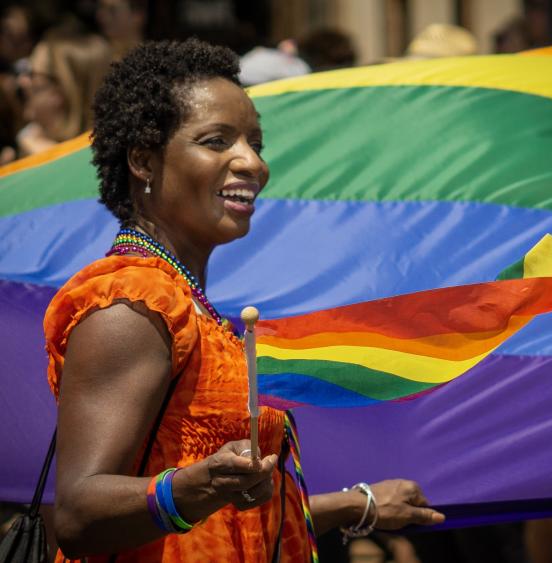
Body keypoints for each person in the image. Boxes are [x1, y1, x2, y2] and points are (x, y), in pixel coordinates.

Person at [43, 38, 444, 562]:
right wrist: (199, 484)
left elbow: (224, 518)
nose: (251, 162)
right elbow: (79, 514)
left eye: (255, 142)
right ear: (143, 161)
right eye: (216, 141)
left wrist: (353, 505)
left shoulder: (190, 303)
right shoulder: (132, 305)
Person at [16, 17, 112, 156]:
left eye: (32, 74)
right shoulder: (28, 139)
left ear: (62, 91)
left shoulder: (103, 164)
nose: (22, 81)